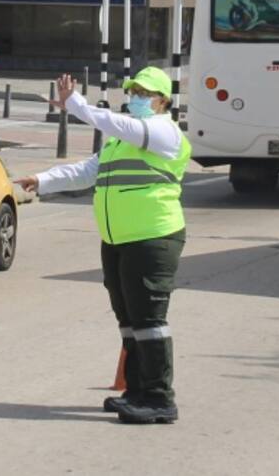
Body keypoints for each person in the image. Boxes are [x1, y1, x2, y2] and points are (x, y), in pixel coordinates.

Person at [14, 66, 190, 425]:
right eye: (133, 91)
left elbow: (118, 123)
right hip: (117, 238)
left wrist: (77, 104)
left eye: (144, 93)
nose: (137, 98)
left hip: (152, 237)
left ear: (162, 101)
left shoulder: (162, 131)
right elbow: (87, 171)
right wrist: (42, 180)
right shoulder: (120, 141)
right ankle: (137, 390)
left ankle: (159, 398)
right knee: (128, 319)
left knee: (149, 320)